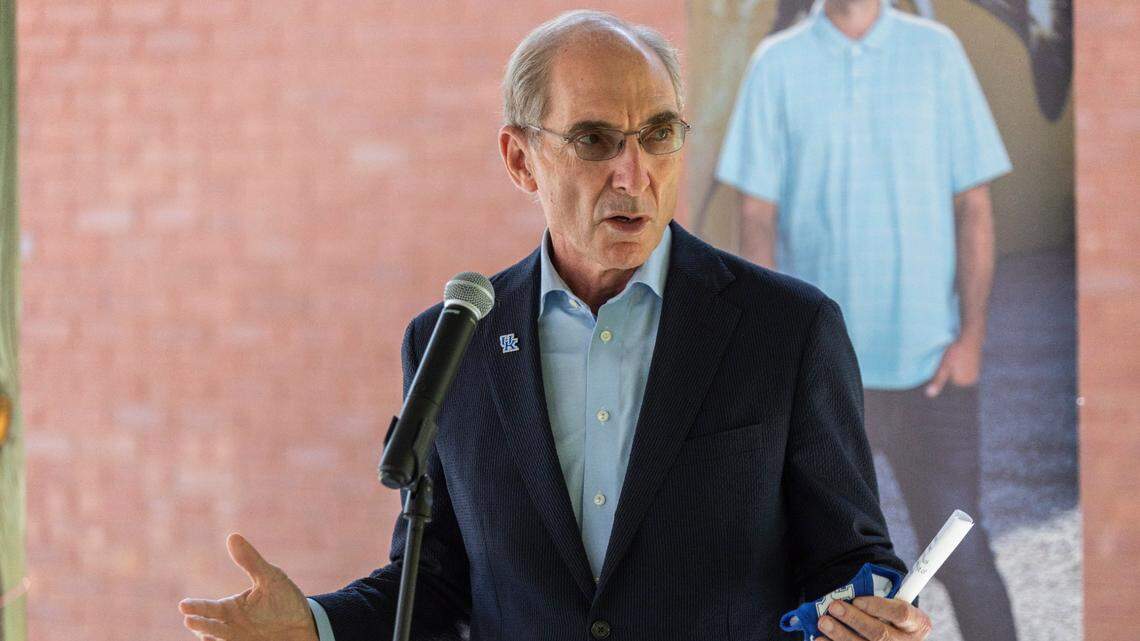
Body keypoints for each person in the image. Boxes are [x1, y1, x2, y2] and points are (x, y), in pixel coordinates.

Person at [179, 10, 933, 641]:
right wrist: (316, 625)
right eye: (594, 140)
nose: (634, 174)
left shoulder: (788, 329)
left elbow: (851, 558)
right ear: (520, 159)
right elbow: (435, 584)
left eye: (659, 133)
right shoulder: (451, 344)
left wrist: (873, 614)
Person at [716, 1, 1016, 640]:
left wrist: (972, 339)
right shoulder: (776, 64)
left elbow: (974, 204)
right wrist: (774, 353)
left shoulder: (937, 52)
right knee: (825, 581)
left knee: (967, 564)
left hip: (930, 372)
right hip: (822, 382)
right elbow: (757, 216)